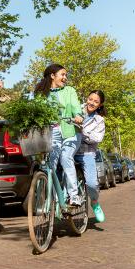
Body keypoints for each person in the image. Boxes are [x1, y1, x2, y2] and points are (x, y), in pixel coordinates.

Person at [34, 64, 84, 207]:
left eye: (65, 75)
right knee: (51, 164)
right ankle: (54, 198)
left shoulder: (69, 91)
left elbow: (75, 106)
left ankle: (74, 196)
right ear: (52, 76)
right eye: (62, 74)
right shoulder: (41, 93)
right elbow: (37, 112)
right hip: (52, 132)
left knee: (66, 158)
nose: (65, 78)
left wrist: (78, 115)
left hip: (70, 130)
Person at [75, 90, 106, 223]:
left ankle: (94, 202)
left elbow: (97, 138)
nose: (92, 103)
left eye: (96, 101)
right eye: (90, 99)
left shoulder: (99, 120)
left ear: (100, 105)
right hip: (70, 150)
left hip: (86, 153)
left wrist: (83, 131)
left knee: (92, 184)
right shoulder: (76, 108)